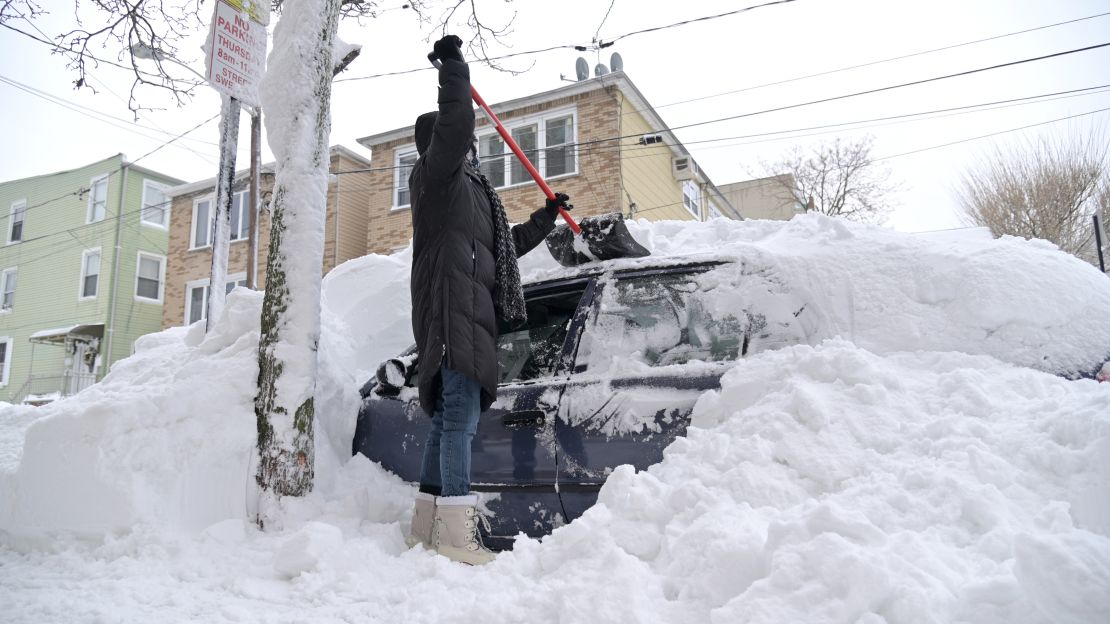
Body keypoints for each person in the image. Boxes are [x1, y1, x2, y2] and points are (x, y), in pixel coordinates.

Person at [405, 34, 572, 565]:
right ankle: (456, 536)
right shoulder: (438, 178)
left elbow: (503, 249)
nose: (472, 149)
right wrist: (455, 72)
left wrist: (546, 219)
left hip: (470, 313)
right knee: (459, 419)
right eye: (463, 145)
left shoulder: (471, 195)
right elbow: (454, 125)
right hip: (451, 311)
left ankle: (428, 527)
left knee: (449, 417)